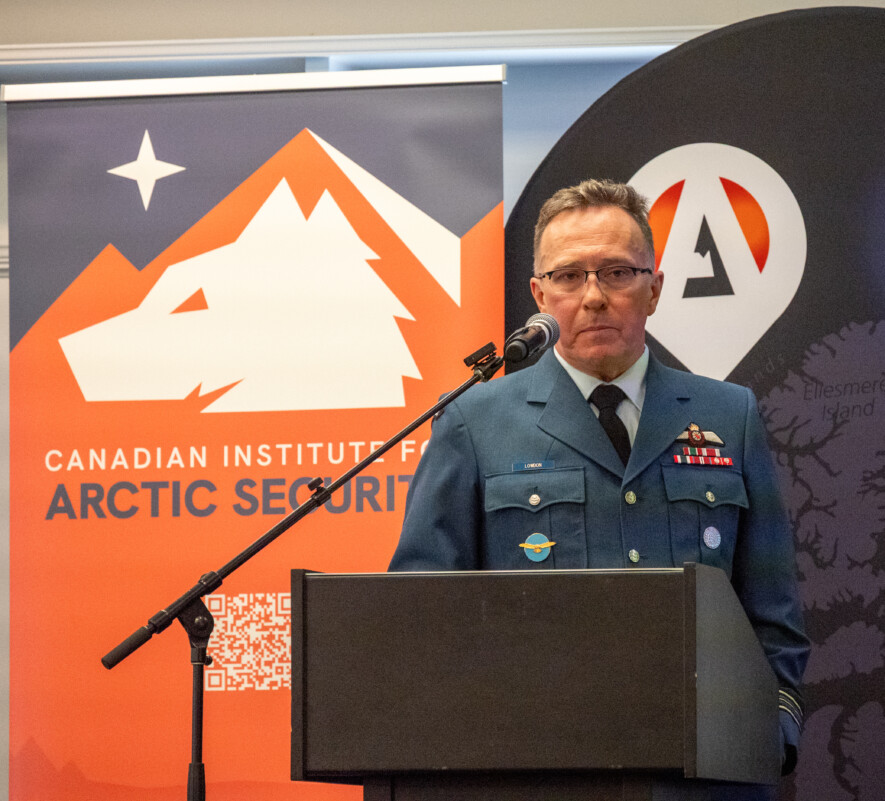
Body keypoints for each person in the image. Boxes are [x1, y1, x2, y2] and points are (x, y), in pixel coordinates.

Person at [388, 179, 809, 792]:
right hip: (536, 772)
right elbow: (421, 616)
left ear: (655, 289)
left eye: (617, 272)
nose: (593, 297)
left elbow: (774, 616)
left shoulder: (729, 416)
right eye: (568, 277)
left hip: (704, 774)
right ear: (537, 295)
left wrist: (774, 735)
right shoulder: (474, 423)